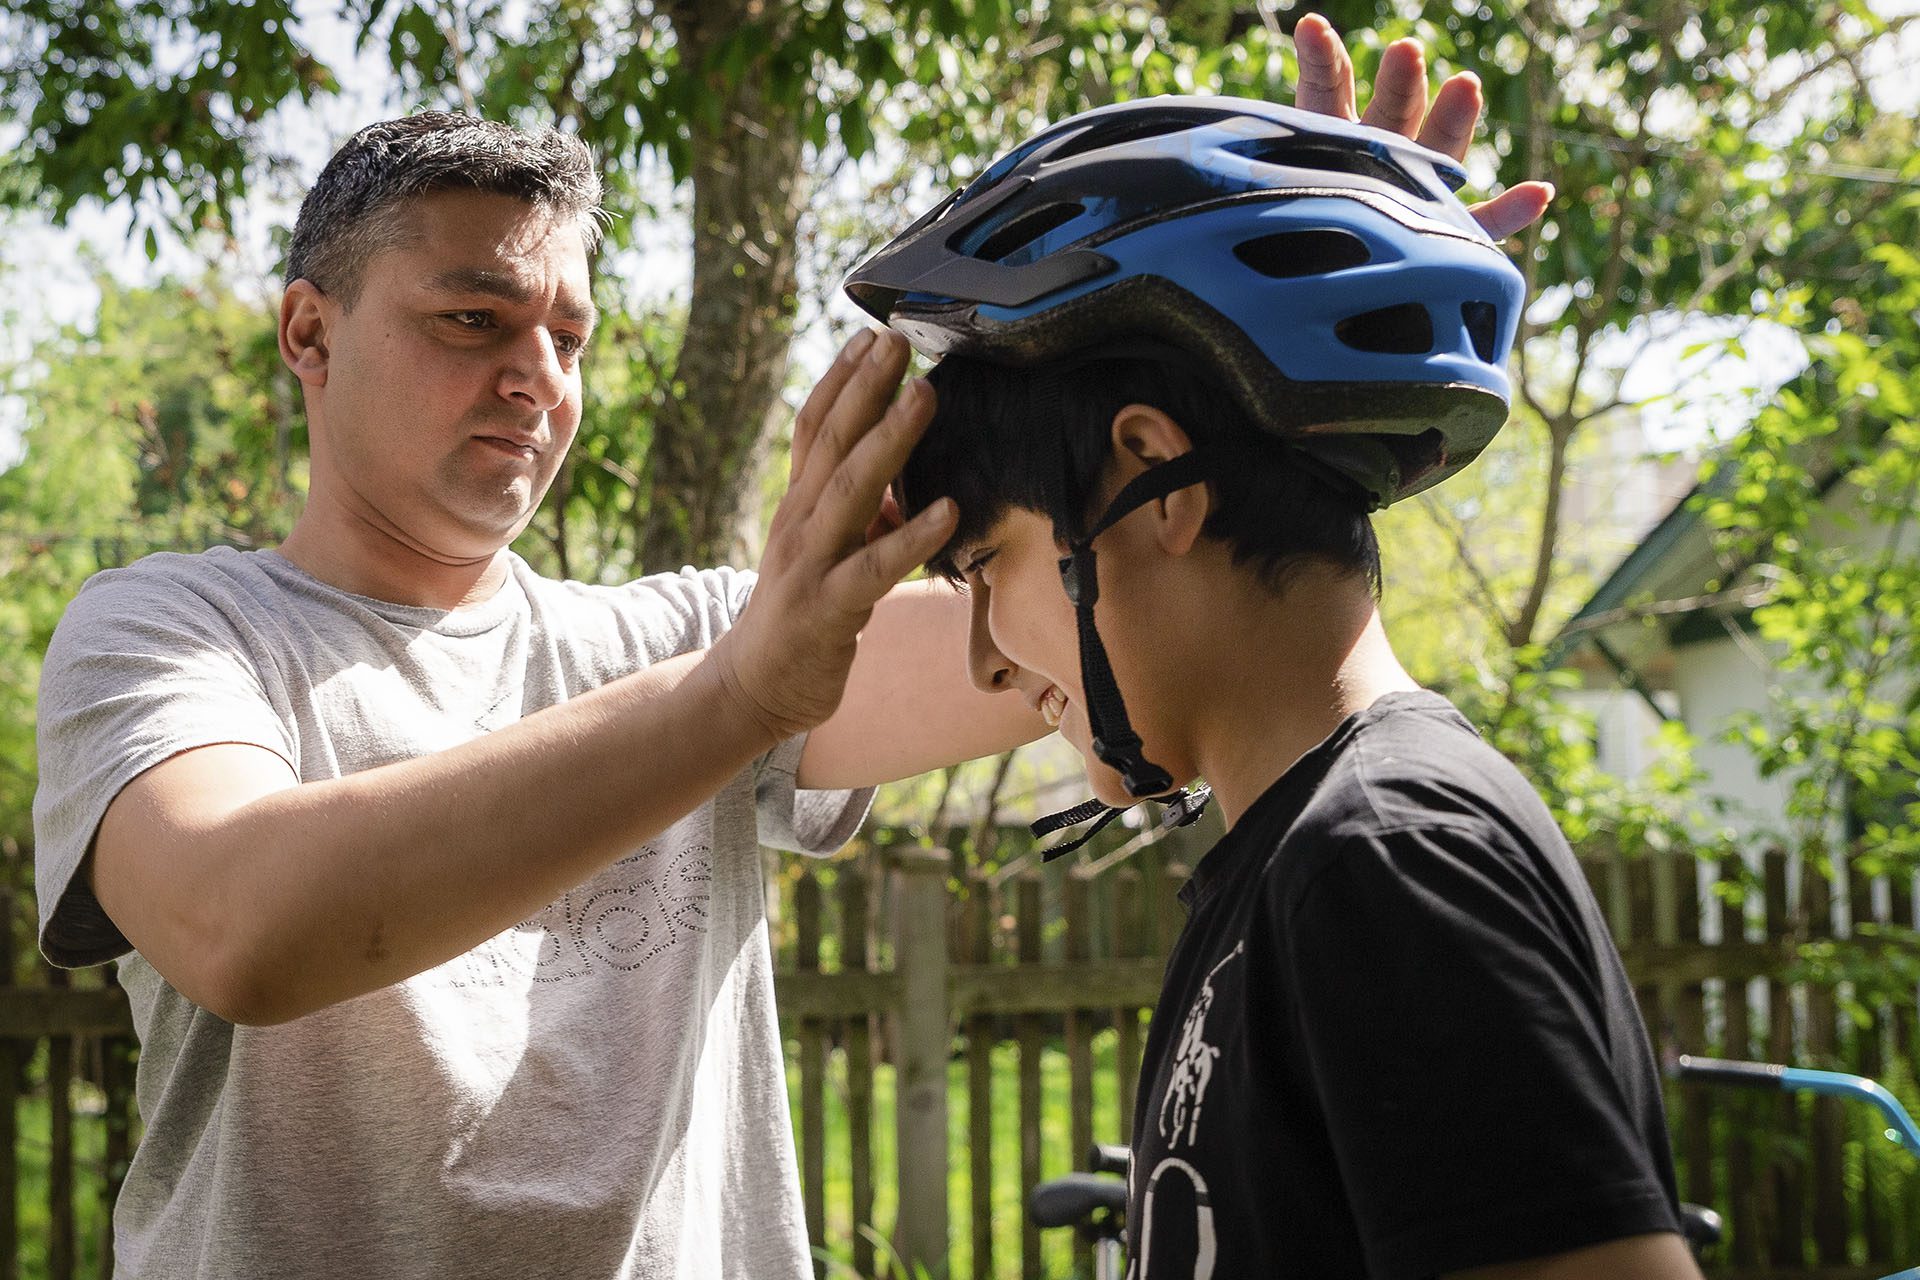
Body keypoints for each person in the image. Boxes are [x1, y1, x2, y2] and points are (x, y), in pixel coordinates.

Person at [28, 14, 1545, 1280]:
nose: (536, 378)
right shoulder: (170, 631)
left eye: (568, 333)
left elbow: (1118, 589)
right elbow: (246, 930)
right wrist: (742, 691)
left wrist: (1279, 355)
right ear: (310, 333)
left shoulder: (695, 636)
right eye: (472, 319)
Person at [846, 46, 1699, 1280]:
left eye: (985, 567)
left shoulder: (1389, 859)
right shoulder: (1307, 850)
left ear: (1148, 483)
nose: (984, 662)